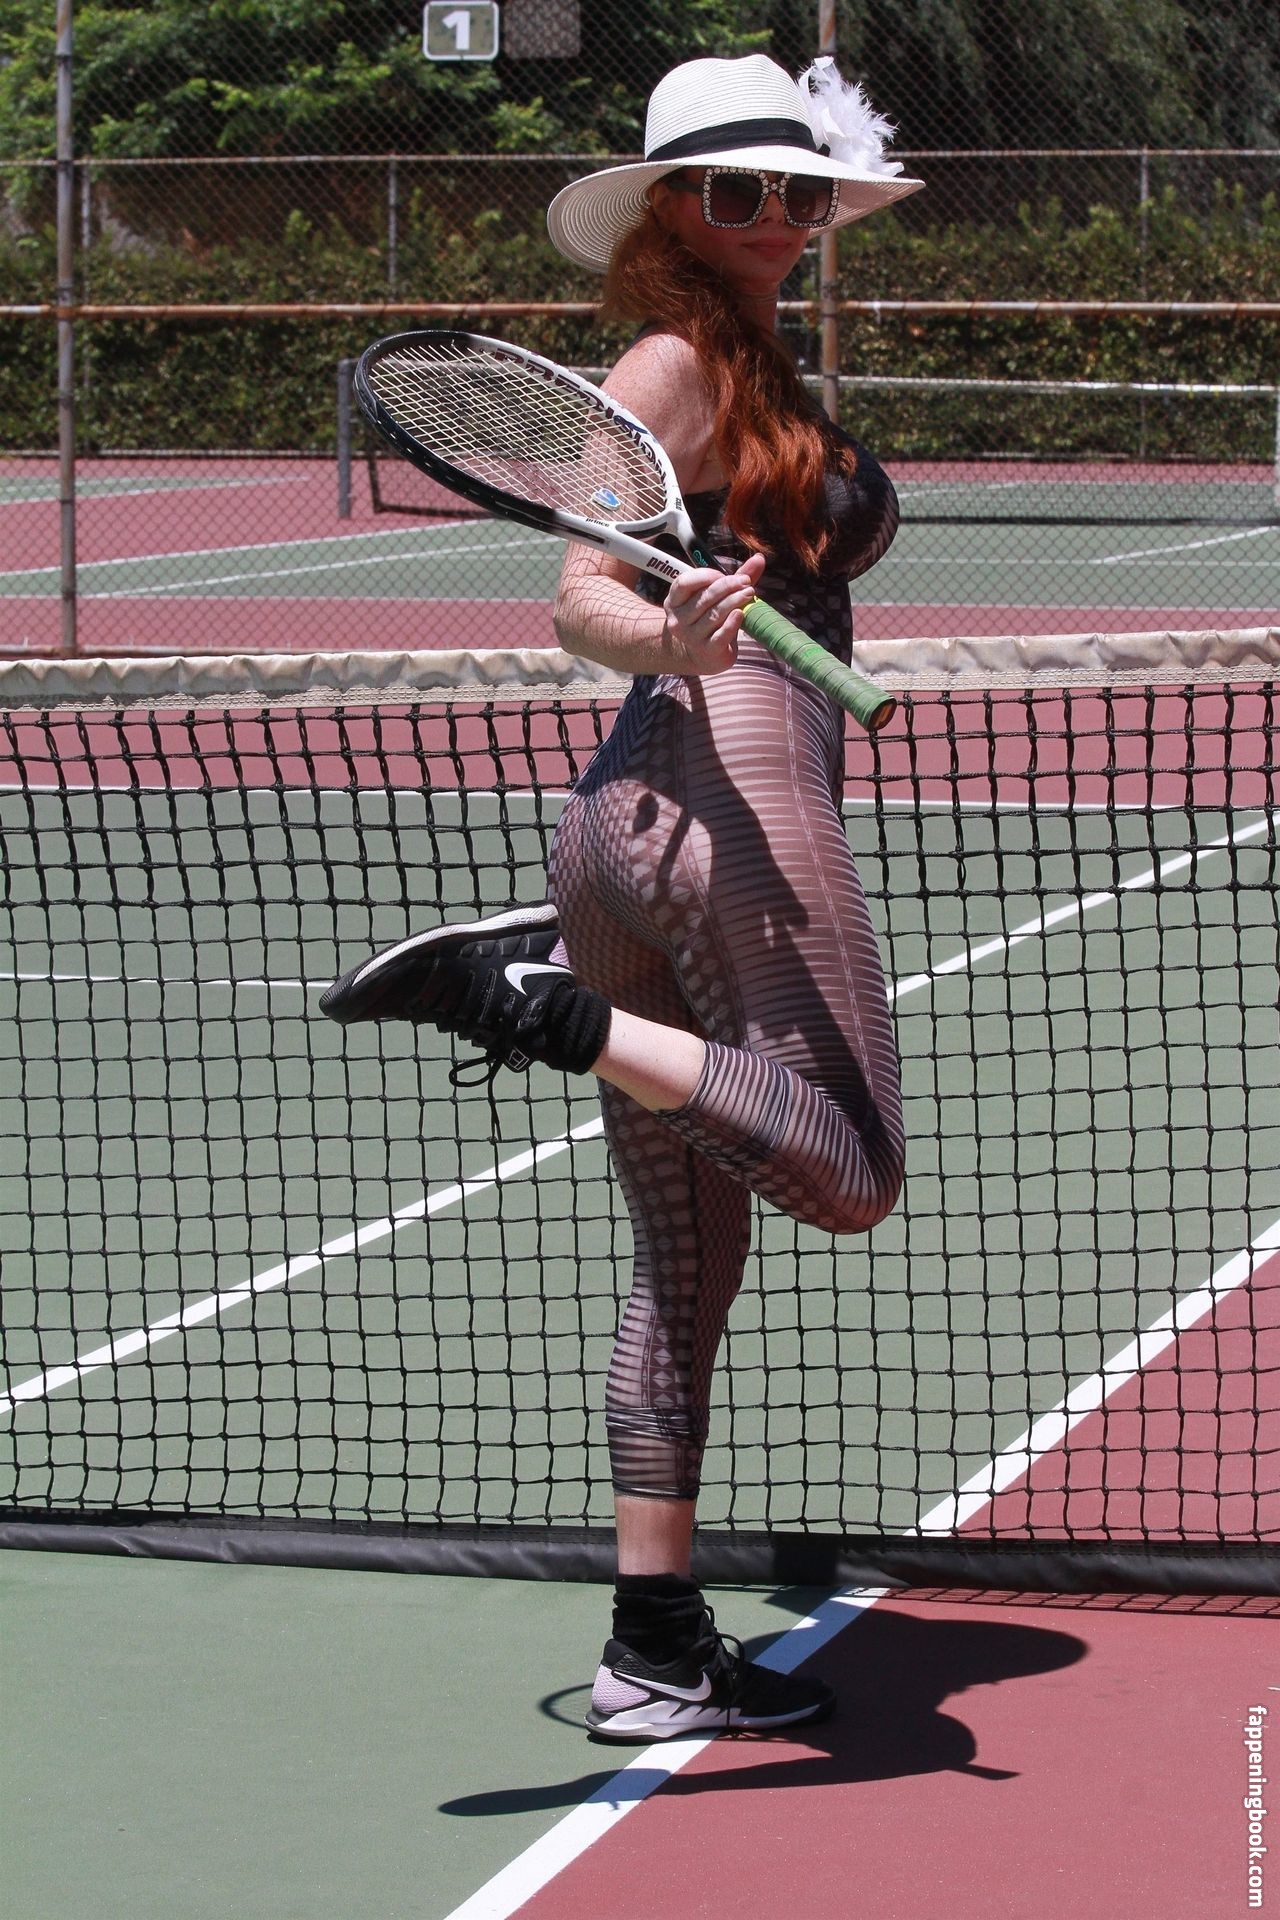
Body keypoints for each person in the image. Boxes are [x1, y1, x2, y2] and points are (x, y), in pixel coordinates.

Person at [322, 52, 923, 1740]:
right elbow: (579, 593)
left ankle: (653, 1647)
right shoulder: (668, 362)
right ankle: (549, 1010)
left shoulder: (754, 361)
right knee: (852, 1168)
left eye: (799, 190)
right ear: (671, 209)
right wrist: (674, 636)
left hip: (619, 832)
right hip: (728, 782)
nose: (777, 216)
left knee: (686, 1261)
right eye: (739, 190)